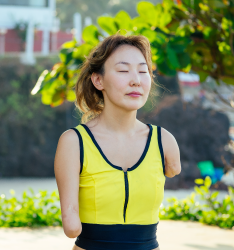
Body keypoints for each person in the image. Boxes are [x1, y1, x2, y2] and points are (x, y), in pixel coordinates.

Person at [54, 33, 181, 250]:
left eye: (143, 71)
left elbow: (173, 170)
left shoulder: (164, 141)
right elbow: (71, 226)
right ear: (98, 80)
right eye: (123, 70)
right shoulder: (74, 142)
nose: (136, 80)